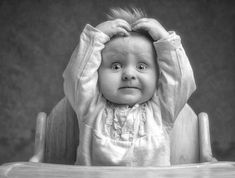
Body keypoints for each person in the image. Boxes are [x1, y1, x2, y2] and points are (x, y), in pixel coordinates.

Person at [63, 8, 196, 166]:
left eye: (141, 66)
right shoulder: (90, 107)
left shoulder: (162, 110)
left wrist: (166, 41)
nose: (129, 74)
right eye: (116, 66)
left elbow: (181, 79)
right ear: (96, 73)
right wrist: (94, 38)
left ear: (159, 76)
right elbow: (77, 77)